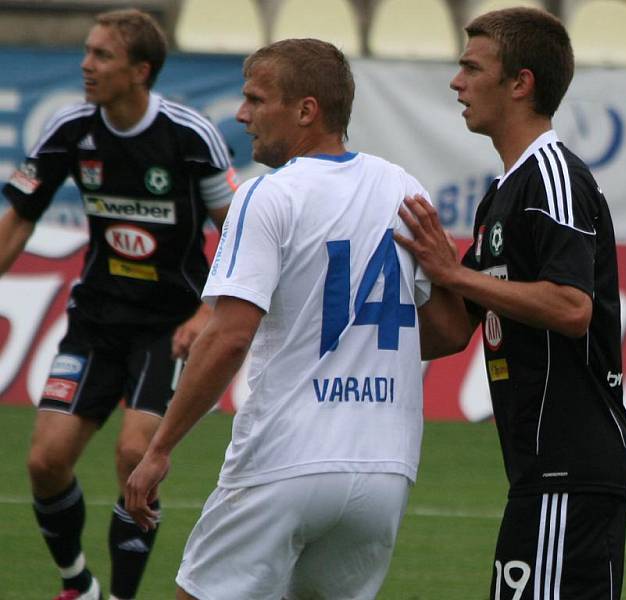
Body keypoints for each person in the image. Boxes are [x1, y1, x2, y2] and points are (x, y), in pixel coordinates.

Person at [125, 38, 469, 600]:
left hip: (286, 460)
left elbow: (229, 337)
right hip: (384, 470)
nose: (242, 115)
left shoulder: (268, 196)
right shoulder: (404, 188)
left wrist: (159, 448)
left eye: (256, 100)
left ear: (306, 110)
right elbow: (452, 333)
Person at [395, 7, 626, 600]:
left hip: (570, 467)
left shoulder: (554, 176)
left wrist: (455, 272)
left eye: (471, 68)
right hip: (538, 474)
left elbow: (570, 306)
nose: (457, 82)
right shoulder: (500, 197)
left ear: (520, 83)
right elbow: (453, 331)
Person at [0, 9, 236, 600]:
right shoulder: (70, 129)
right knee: (45, 462)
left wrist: (209, 311)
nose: (86, 65)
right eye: (86, 52)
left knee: (136, 454)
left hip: (169, 326)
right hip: (96, 322)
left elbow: (236, 233)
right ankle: (80, 584)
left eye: (102, 55)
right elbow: (17, 223)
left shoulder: (189, 136)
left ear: (141, 71)